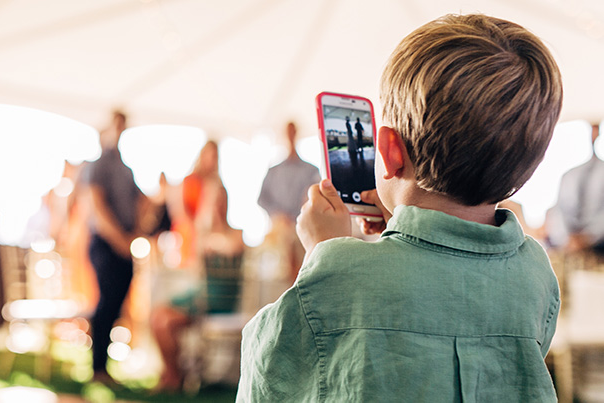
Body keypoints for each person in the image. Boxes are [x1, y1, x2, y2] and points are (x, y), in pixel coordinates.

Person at [238, 14, 562, 401]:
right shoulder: (534, 274)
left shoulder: (341, 272)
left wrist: (323, 254)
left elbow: (267, 378)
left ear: (389, 151)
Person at [150, 140, 243, 392]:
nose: (217, 206)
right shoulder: (205, 232)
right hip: (202, 294)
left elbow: (226, 246)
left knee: (164, 321)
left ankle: (173, 377)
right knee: (157, 316)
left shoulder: (235, 235)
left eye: (220, 201)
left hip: (218, 299)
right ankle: (173, 374)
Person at [87, 110, 146, 386]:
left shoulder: (126, 168)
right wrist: (120, 240)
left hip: (124, 244)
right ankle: (98, 368)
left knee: (117, 305)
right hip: (108, 244)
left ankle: (104, 368)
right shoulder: (100, 164)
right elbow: (98, 206)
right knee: (106, 303)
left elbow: (139, 204)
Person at [257, 121, 320, 278]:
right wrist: (277, 214)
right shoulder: (273, 170)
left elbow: (315, 197)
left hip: (302, 227)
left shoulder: (311, 170)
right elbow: (262, 198)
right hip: (279, 230)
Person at [554, 124, 604, 255]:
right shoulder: (568, 174)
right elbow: (558, 209)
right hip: (569, 246)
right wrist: (565, 238)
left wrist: (588, 237)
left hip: (598, 246)